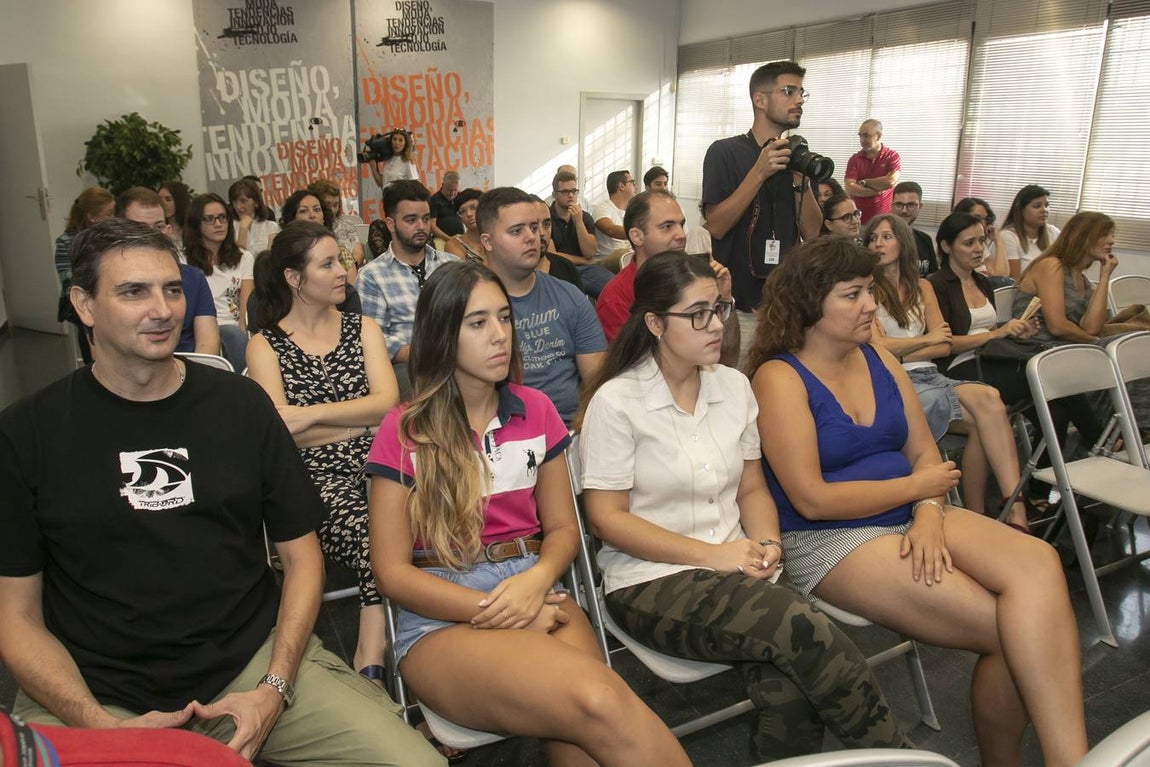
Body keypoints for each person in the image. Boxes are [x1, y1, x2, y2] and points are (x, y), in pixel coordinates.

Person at [0, 218, 442, 767]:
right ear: (84, 305)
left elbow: (302, 560)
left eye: (171, 289)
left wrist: (274, 687)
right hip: (94, 689)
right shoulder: (26, 433)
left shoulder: (239, 406)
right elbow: (13, 615)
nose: (162, 310)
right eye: (133, 292)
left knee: (415, 764)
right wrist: (97, 725)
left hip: (251, 663)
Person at [748, 236, 1088, 767]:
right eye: (853, 294)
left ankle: (1073, 759)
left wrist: (928, 513)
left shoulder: (879, 356)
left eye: (869, 291)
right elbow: (813, 500)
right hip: (831, 538)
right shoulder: (778, 377)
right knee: (1012, 631)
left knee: (1039, 564)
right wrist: (918, 492)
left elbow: (927, 454)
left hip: (913, 511)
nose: (870, 306)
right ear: (809, 303)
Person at [578, 251, 912, 762]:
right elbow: (607, 519)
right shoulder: (618, 401)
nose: (716, 326)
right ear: (653, 323)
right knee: (803, 631)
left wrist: (767, 544)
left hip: (738, 568)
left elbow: (752, 490)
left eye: (721, 308)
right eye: (698, 315)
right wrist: (716, 556)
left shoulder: (732, 386)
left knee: (793, 691)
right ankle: (899, 757)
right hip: (650, 581)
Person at [366, 259, 691, 767]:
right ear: (441, 335)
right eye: (478, 323)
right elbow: (391, 573)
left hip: (535, 584)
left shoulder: (535, 410)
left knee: (588, 731)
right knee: (598, 700)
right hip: (442, 615)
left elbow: (564, 529)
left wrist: (535, 580)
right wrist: (500, 610)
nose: (500, 336)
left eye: (504, 318)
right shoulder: (405, 430)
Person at [246, 220, 399, 688]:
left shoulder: (362, 327)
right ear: (294, 278)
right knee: (382, 537)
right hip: (311, 479)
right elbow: (280, 439)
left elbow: (388, 405)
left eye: (344, 261)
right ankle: (370, 666)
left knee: (409, 524)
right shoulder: (264, 345)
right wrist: (360, 420)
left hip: (383, 462)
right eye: (328, 263)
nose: (344, 272)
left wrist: (310, 416)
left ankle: (377, 671)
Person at [864, 213, 1031, 531]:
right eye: (872, 238)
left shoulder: (922, 286)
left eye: (886, 236)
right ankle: (985, 515)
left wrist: (910, 346)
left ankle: (1011, 504)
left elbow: (944, 347)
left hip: (930, 374)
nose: (878, 244)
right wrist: (925, 339)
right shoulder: (868, 290)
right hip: (895, 380)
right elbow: (877, 348)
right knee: (985, 417)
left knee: (989, 400)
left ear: (903, 241)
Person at [702, 60, 823, 359]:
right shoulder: (725, 152)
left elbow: (812, 232)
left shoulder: (797, 156)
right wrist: (759, 172)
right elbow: (716, 225)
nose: (798, 100)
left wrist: (799, 178)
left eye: (801, 92)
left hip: (784, 307)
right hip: (738, 307)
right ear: (760, 99)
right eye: (788, 91)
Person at [478, 187, 606, 425]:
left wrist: (582, 430)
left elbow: (598, 382)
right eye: (517, 231)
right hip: (498, 431)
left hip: (569, 426)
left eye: (535, 228)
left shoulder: (570, 296)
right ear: (487, 241)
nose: (532, 237)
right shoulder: (466, 305)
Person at [356, 180, 457, 400]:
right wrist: (426, 354)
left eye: (425, 218)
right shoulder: (373, 275)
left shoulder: (451, 265)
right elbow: (374, 338)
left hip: (459, 358)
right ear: (391, 224)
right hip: (408, 366)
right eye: (411, 220)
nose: (421, 226)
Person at [116, 186, 220, 357]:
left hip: (189, 373)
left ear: (168, 231)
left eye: (158, 227)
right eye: (140, 228)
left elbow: (207, 344)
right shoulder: (106, 283)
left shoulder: (193, 278)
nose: (152, 236)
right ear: (119, 232)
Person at [184, 193, 254, 371]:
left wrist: (243, 330)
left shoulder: (244, 257)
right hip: (201, 327)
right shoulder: (183, 261)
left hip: (235, 327)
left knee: (236, 334)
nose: (218, 224)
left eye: (223, 217)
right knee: (232, 334)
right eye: (209, 219)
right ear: (196, 224)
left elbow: (246, 305)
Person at [548, 170, 614, 298]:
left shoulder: (584, 217)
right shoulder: (546, 218)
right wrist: (584, 261)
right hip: (558, 269)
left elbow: (589, 252)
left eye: (574, 191)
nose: (571, 195)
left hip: (586, 270)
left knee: (614, 286)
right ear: (554, 194)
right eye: (565, 192)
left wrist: (578, 222)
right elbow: (552, 256)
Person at [281, 190, 358, 284]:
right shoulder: (284, 257)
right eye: (303, 211)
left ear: (324, 218)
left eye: (317, 209)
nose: (312, 215)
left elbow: (353, 294)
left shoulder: (342, 254)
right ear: (292, 219)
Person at [844, 119, 901, 224]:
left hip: (884, 220)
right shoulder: (855, 159)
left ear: (878, 136)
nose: (862, 140)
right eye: (860, 136)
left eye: (866, 136)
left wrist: (863, 182)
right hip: (858, 221)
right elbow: (850, 188)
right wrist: (877, 191)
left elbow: (890, 181)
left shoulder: (892, 156)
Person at [54, 187, 114, 285]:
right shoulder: (65, 242)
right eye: (109, 213)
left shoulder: (112, 237)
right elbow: (68, 282)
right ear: (92, 217)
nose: (113, 218)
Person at [1000, 184, 1060, 280]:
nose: (1044, 210)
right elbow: (1015, 282)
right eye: (1037, 206)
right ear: (1021, 210)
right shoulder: (1008, 236)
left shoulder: (1053, 232)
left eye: (1047, 205)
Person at [308, 177, 367, 271]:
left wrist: (347, 271)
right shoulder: (309, 229)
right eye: (327, 205)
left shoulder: (347, 225)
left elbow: (359, 254)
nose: (332, 210)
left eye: (336, 205)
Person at [532, 196, 584, 292]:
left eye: (546, 224)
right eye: (533, 226)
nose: (542, 232)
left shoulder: (567, 268)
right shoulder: (506, 276)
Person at [953, 197, 1009, 278]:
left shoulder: (981, 244)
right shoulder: (955, 242)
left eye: (986, 219)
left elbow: (1001, 276)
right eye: (977, 218)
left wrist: (998, 240)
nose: (983, 223)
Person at [891, 181, 938, 276]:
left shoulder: (925, 240)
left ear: (920, 206)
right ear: (892, 206)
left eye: (911, 205)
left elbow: (933, 276)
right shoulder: (879, 240)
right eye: (899, 204)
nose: (904, 210)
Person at [228, 177, 280, 257]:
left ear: (256, 202)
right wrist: (243, 229)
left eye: (243, 201)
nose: (238, 207)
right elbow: (238, 259)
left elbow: (268, 259)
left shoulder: (271, 227)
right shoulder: (229, 227)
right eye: (235, 201)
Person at [593, 170, 637, 260]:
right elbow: (609, 229)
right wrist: (638, 233)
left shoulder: (632, 210)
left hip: (628, 255)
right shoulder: (602, 207)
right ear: (621, 186)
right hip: (607, 260)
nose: (636, 186)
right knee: (625, 254)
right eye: (632, 182)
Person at [369, 129, 419, 194]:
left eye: (400, 140)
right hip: (388, 199)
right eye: (394, 139)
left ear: (405, 144)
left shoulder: (407, 161)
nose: (397, 143)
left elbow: (414, 185)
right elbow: (381, 184)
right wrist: (373, 167)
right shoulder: (388, 160)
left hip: (401, 200)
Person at [443, 188, 484, 262]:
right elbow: (463, 273)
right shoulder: (454, 244)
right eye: (463, 211)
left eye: (473, 208)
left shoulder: (497, 238)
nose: (469, 214)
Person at [429, 170, 464, 240]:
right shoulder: (434, 200)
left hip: (461, 238)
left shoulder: (460, 197)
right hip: (441, 239)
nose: (453, 193)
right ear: (443, 185)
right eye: (450, 190)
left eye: (455, 190)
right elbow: (432, 226)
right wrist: (448, 238)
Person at [158, 181, 192, 246]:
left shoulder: (193, 229)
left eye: (168, 199)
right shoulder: (157, 230)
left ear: (179, 201)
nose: (163, 204)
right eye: (159, 200)